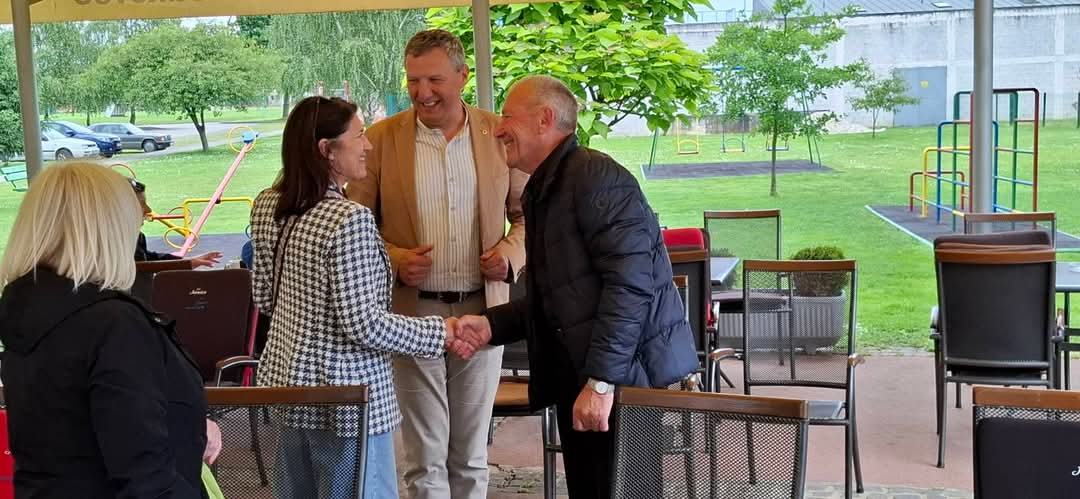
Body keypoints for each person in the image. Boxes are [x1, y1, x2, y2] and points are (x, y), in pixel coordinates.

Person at [454, 76, 699, 499]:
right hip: (586, 379)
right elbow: (560, 298)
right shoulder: (548, 187)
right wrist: (491, 325)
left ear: (544, 119)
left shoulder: (595, 176)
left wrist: (601, 383)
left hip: (622, 382)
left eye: (508, 117)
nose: (498, 129)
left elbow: (629, 288)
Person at [250, 95, 474, 499]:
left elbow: (265, 298)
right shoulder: (348, 218)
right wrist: (441, 332)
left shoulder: (268, 205)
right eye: (358, 136)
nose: (368, 145)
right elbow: (365, 325)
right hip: (346, 402)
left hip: (288, 390)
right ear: (327, 150)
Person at [346, 29, 527, 499]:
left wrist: (510, 255)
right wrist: (394, 260)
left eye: (434, 80)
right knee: (423, 458)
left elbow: (527, 217)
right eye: (413, 81)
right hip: (411, 316)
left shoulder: (497, 134)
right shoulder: (381, 139)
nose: (422, 92)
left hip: (482, 313)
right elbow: (353, 227)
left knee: (470, 455)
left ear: (463, 77)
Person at [0, 162, 221, 499]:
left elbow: (78, 419)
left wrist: (188, 423)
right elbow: (144, 476)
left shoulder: (26, 306)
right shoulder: (112, 324)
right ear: (111, 228)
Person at [129, 178, 222, 268]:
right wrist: (188, 263)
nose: (148, 210)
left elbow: (149, 259)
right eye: (141, 204)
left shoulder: (137, 237)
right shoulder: (128, 239)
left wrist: (189, 261)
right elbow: (141, 267)